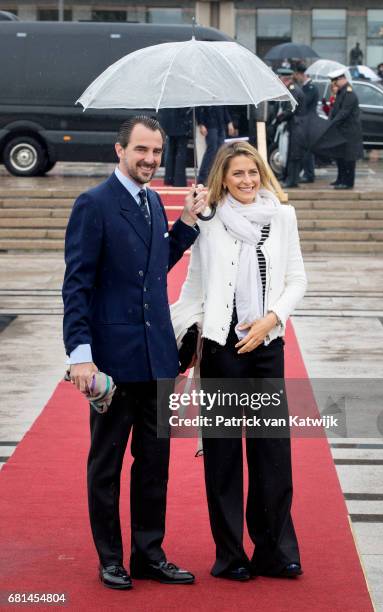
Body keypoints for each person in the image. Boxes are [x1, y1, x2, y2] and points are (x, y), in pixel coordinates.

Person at [62, 115, 207, 590]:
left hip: (157, 357)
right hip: (112, 362)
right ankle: (110, 558)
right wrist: (80, 355)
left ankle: (149, 553)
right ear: (119, 151)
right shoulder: (94, 204)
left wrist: (186, 222)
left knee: (155, 465)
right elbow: (77, 287)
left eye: (157, 152)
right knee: (105, 465)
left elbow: (155, 266)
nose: (150, 159)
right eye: (141, 150)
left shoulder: (149, 201)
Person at [171, 141, 307, 581]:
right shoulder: (209, 221)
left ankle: (274, 550)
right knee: (224, 457)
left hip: (266, 345)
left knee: (273, 454)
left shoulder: (282, 216)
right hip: (220, 350)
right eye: (237, 175)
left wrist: (270, 320)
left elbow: (297, 278)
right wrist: (183, 331)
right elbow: (194, 287)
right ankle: (230, 556)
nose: (247, 181)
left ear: (262, 173)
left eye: (253, 172)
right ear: (222, 180)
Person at [327, 68, 364, 189]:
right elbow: (335, 110)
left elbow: (344, 112)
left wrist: (332, 123)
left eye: (335, 81)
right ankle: (340, 179)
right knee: (340, 157)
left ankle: (348, 182)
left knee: (349, 158)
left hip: (349, 132)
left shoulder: (349, 93)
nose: (334, 84)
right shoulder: (341, 92)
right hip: (341, 131)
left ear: (342, 79)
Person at [276, 67, 306, 188]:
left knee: (294, 154)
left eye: (280, 79)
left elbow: (290, 110)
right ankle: (288, 177)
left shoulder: (294, 91)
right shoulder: (290, 90)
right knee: (289, 153)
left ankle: (292, 180)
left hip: (297, 126)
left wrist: (279, 118)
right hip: (293, 126)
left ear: (286, 79)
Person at [293, 62, 319, 183]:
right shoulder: (304, 87)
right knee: (304, 149)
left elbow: (304, 102)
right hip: (304, 122)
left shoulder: (311, 88)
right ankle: (306, 173)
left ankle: (309, 174)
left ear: (301, 74)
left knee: (308, 150)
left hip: (309, 121)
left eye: (296, 75)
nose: (296, 77)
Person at [197, 106, 235, 184]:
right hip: (209, 123)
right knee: (211, 151)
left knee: (221, 152)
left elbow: (224, 107)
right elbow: (199, 107)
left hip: (220, 123)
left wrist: (229, 122)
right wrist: (201, 124)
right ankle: (203, 178)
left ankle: (217, 177)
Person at [158, 107, 192, 187]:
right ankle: (179, 180)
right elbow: (185, 111)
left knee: (171, 152)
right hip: (181, 124)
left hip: (170, 124)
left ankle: (169, 179)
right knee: (180, 153)